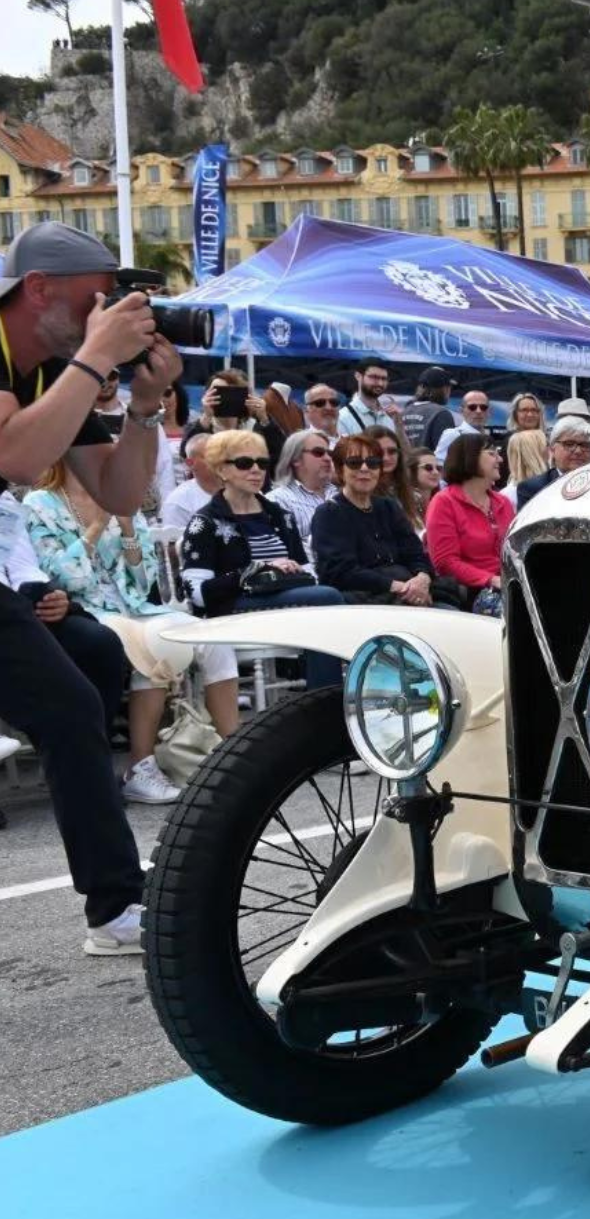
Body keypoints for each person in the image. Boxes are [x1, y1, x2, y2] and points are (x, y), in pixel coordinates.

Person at [0, 219, 183, 954]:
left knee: (89, 673)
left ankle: (113, 905)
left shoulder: (48, 368)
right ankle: (113, 906)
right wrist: (98, 355)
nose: (104, 316)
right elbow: (17, 455)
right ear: (37, 289)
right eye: (95, 301)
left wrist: (143, 405)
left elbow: (119, 490)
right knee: (71, 700)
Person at [23, 464, 242, 803]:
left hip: (137, 607)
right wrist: (97, 526)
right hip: (84, 609)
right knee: (151, 645)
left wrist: (126, 528)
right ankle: (140, 766)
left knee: (210, 638)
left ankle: (235, 752)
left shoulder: (123, 502)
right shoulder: (39, 504)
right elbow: (65, 579)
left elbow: (143, 583)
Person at [178, 431, 344, 683]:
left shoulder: (279, 515)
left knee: (327, 603)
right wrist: (258, 569)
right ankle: (327, 699)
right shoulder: (205, 522)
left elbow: (310, 573)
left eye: (262, 463)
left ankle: (325, 698)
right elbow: (198, 595)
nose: (256, 470)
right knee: (327, 599)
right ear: (221, 469)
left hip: (282, 603)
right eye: (245, 463)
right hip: (232, 610)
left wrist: (289, 571)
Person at [312, 434, 462, 609]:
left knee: (451, 613)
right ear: (340, 470)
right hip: (366, 603)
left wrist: (422, 579)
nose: (365, 469)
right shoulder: (329, 513)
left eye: (373, 463)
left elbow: (415, 554)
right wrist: (399, 587)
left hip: (412, 593)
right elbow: (340, 572)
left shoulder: (388, 507)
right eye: (354, 463)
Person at [426, 431, 513, 614]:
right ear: (470, 458)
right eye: (491, 453)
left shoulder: (502, 502)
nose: (500, 460)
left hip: (510, 583)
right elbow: (446, 562)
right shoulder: (444, 502)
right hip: (473, 591)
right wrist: (490, 579)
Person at [267, 428, 337, 562]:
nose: (328, 458)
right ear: (295, 459)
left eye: (329, 453)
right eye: (318, 453)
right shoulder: (278, 500)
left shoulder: (340, 493)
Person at [515, 422, 590, 505]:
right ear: (552, 449)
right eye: (569, 444)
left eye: (585, 445)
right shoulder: (533, 489)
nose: (578, 451)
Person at [400, 366, 460, 461]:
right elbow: (448, 455)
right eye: (448, 387)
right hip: (431, 471)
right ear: (443, 389)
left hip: (406, 472)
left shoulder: (403, 412)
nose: (449, 392)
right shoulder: (441, 413)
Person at [335, 357, 402, 436]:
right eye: (374, 377)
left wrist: (399, 425)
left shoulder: (390, 416)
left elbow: (403, 448)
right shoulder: (343, 418)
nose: (380, 383)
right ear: (358, 376)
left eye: (384, 379)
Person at [504, 427, 550, 496]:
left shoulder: (555, 482)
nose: (550, 448)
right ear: (534, 453)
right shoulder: (508, 497)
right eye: (546, 445)